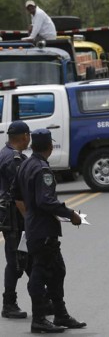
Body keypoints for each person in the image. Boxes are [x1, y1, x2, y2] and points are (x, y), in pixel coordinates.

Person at [15, 129, 86, 333]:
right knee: (40, 273)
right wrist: (70, 214)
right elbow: (46, 201)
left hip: (35, 227)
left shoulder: (25, 164)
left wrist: (29, 216)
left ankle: (61, 314)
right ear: (49, 146)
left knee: (57, 270)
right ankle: (38, 319)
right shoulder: (41, 169)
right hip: (43, 230)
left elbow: (17, 194)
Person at [0, 121, 30, 319]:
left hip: (8, 215)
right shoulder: (14, 159)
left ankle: (43, 298)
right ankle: (9, 303)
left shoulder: (4, 153)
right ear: (25, 136)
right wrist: (29, 219)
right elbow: (18, 195)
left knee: (26, 255)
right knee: (16, 259)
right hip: (13, 216)